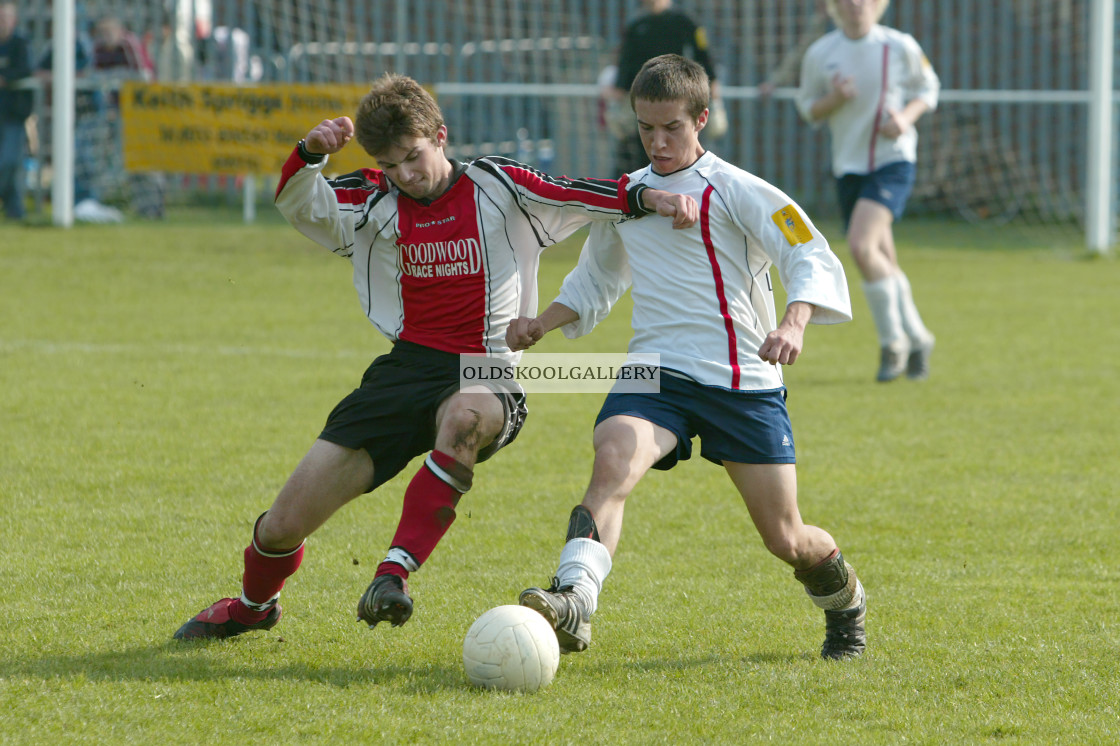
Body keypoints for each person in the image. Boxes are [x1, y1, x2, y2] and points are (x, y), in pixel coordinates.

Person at [172, 72, 697, 641]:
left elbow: (577, 192)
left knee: (466, 418)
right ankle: (254, 607)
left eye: (412, 158)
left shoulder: (497, 184)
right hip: (404, 371)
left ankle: (392, 573)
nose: (404, 175)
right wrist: (310, 155)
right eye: (390, 164)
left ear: (440, 136)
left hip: (486, 370)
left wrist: (651, 196)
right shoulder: (376, 197)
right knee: (279, 527)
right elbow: (305, 206)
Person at [509, 54, 867, 660]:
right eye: (646, 128)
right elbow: (594, 280)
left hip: (741, 381)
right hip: (656, 373)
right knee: (614, 456)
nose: (657, 141)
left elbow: (808, 253)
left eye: (671, 127)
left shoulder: (739, 189)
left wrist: (794, 322)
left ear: (702, 118)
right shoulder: (629, 197)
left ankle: (846, 608)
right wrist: (543, 323)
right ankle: (575, 599)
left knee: (786, 537)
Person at [796, 0, 939, 382]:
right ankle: (920, 337)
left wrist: (905, 119)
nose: (856, 5)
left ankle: (893, 344)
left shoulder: (898, 45)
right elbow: (807, 108)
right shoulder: (821, 53)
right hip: (849, 166)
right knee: (883, 257)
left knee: (860, 246)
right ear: (833, 7)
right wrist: (836, 98)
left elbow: (929, 87)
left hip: (893, 161)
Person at [606, 0, 724, 175]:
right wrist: (615, 105)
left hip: (680, 102)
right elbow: (625, 67)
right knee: (641, 159)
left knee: (687, 158)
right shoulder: (636, 26)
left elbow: (705, 59)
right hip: (647, 102)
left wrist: (716, 104)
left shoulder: (686, 21)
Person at [0, 1, 32, 221]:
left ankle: (15, 211)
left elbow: (26, 70)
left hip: (13, 114)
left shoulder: (21, 44)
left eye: (3, 18)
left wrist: (5, 78)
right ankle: (15, 212)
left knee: (9, 162)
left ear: (13, 20)